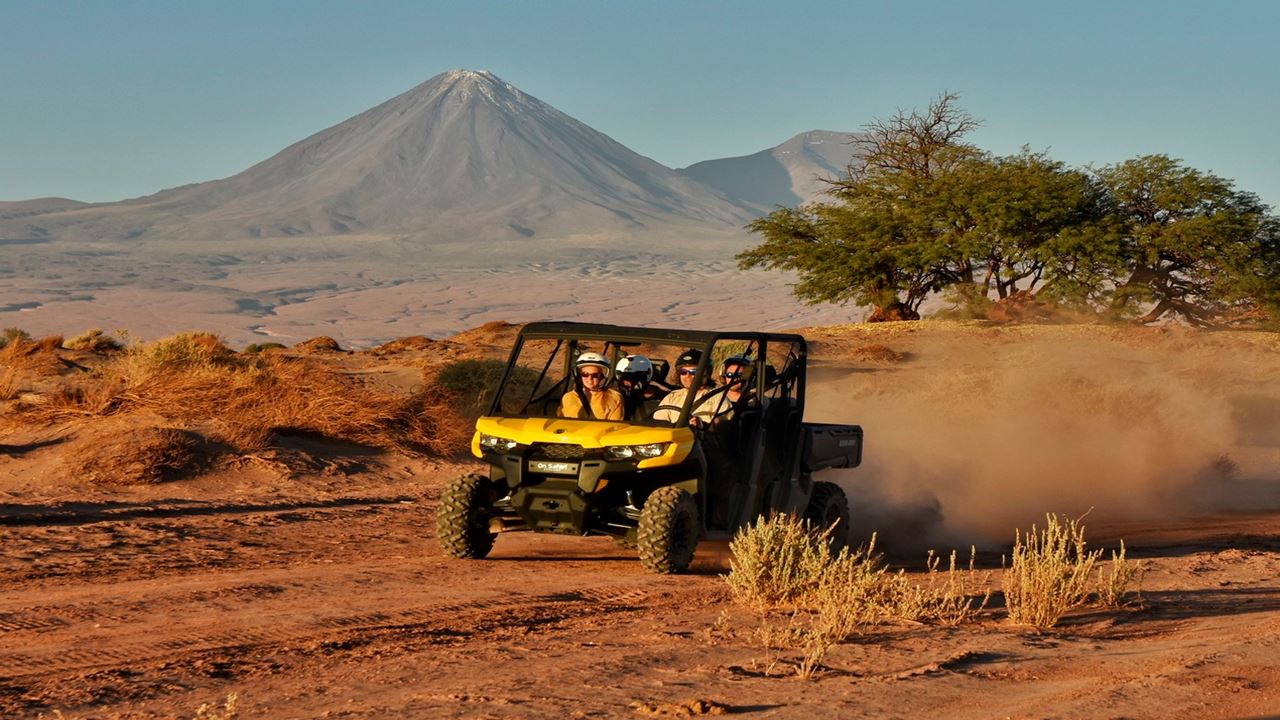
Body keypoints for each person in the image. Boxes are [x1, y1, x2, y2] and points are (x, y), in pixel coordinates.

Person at [559, 352, 624, 420]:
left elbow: (615, 426)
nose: (590, 379)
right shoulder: (568, 397)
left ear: (602, 376)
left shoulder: (614, 398)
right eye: (585, 374)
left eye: (595, 375)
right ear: (579, 375)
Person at [653, 349, 711, 424]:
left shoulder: (718, 398)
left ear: (706, 374)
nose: (687, 376)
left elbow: (723, 429)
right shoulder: (672, 397)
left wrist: (701, 424)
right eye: (683, 372)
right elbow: (658, 425)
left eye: (694, 372)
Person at [696, 354, 754, 423]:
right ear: (724, 376)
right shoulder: (714, 394)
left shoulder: (752, 399)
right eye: (730, 375)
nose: (734, 379)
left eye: (739, 375)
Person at [615, 354, 661, 421]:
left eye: (634, 378)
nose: (629, 383)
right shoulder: (615, 397)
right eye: (625, 378)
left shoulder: (660, 398)